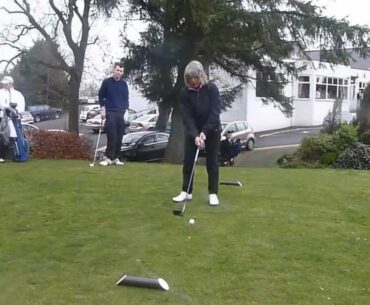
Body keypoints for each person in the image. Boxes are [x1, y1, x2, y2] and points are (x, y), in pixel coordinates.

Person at [172, 60, 221, 206]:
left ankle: (213, 193)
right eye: (190, 78)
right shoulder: (185, 93)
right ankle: (186, 191)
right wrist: (195, 135)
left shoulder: (211, 89)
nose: (193, 81)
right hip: (193, 131)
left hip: (212, 130)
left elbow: (215, 113)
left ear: (201, 76)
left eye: (196, 77)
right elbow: (187, 117)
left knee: (212, 162)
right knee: (188, 161)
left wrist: (204, 132)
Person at [98, 63, 129, 166]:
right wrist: (103, 108)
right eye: (117, 70)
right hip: (110, 111)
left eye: (121, 71)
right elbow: (101, 96)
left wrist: (126, 111)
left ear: (122, 73)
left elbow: (126, 98)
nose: (119, 72)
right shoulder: (107, 82)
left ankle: (116, 158)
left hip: (121, 112)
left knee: (120, 136)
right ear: (113, 70)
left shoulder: (124, 84)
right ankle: (108, 158)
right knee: (112, 135)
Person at [0, 76, 25, 163]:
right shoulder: (0, 93)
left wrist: (16, 111)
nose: (4, 85)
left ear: (11, 83)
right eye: (3, 84)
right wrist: (7, 107)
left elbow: (21, 106)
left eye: (6, 84)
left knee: (13, 136)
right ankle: (1, 156)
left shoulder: (18, 94)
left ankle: (16, 155)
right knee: (3, 136)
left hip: (13, 119)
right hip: (2, 118)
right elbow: (2, 104)